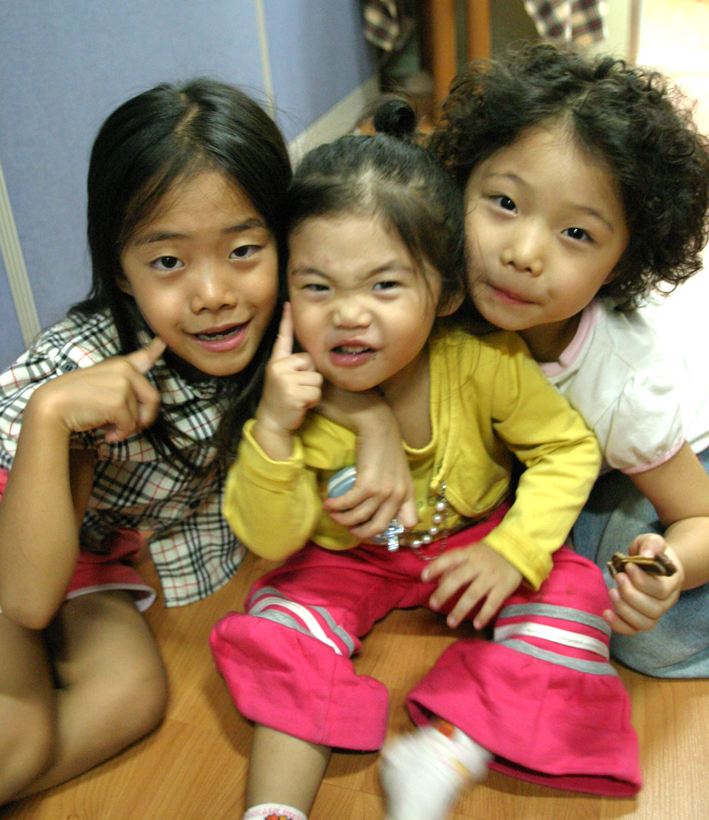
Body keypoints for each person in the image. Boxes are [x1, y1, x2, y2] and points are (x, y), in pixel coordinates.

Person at [210, 114, 641, 820]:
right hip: (348, 560)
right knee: (279, 625)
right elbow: (271, 537)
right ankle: (274, 809)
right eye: (317, 288)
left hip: (475, 540)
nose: (348, 315)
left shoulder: (483, 361)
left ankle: (448, 748)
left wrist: (512, 549)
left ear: (443, 294)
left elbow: (565, 449)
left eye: (384, 285)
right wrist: (275, 431)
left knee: (577, 594)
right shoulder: (298, 392)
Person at [430, 41, 709, 679]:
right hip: (558, 466)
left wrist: (669, 569)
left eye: (576, 234)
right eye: (504, 203)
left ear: (621, 264)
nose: (524, 253)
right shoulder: (438, 288)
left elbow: (697, 515)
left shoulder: (623, 384)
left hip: (667, 458)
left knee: (637, 632)